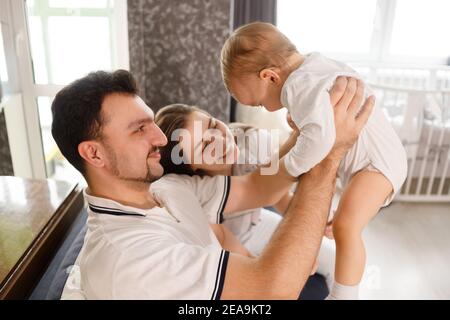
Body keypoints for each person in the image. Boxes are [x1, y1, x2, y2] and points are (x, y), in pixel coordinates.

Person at [52, 69, 373, 299]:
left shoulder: (168, 189)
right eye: (139, 130)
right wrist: (330, 155)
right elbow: (272, 289)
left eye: (152, 123)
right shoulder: (129, 258)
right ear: (94, 153)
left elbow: (256, 188)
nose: (162, 139)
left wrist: (311, 135)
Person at [220, 22, 407, 299]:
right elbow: (321, 126)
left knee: (346, 227)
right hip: (379, 160)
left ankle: (345, 295)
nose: (262, 108)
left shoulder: (298, 86)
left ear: (270, 77)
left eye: (258, 103)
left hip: (376, 165)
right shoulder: (314, 67)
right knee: (344, 224)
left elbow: (320, 140)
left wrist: (290, 167)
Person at [155, 103, 299, 257]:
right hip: (231, 247)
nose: (221, 139)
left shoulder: (251, 143)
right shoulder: (200, 196)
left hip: (257, 223)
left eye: (213, 125)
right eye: (204, 147)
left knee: (322, 251)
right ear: (192, 168)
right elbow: (230, 249)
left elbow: (274, 191)